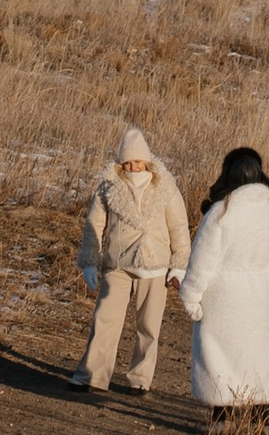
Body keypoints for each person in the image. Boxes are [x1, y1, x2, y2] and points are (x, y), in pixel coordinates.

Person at [178, 147, 269, 414]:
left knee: (220, 355)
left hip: (222, 295)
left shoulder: (220, 212)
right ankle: (262, 415)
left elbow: (202, 261)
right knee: (256, 353)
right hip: (258, 294)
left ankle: (223, 416)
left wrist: (191, 297)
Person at [77, 127, 191, 393]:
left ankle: (140, 380)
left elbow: (179, 227)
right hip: (117, 263)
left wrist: (179, 265)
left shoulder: (165, 186)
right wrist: (90, 261)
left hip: (156, 265)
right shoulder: (108, 186)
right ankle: (91, 376)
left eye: (138, 161)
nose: (133, 167)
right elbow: (94, 224)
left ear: (147, 160)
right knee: (104, 320)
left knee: (149, 326)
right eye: (127, 162)